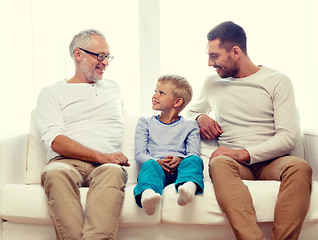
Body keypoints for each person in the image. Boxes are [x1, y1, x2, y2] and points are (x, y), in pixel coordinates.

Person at [186, 21, 312, 240]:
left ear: (235, 52)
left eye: (214, 56)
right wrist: (199, 117)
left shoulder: (277, 81)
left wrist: (242, 153)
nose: (209, 63)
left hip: (274, 161)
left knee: (300, 167)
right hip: (236, 165)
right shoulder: (212, 84)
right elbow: (186, 114)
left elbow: (287, 137)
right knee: (218, 163)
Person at [37, 29, 130, 240]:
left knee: (114, 172)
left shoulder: (114, 89)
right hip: (67, 162)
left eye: (108, 57)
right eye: (100, 56)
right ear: (78, 54)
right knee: (55, 173)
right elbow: (56, 141)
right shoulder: (52, 92)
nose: (105, 62)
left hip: (107, 166)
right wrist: (101, 156)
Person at [133, 74, 204, 215]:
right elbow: (140, 154)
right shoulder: (145, 122)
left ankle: (188, 188)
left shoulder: (191, 125)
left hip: (180, 170)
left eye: (161, 93)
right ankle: (148, 195)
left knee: (195, 160)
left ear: (177, 102)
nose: (155, 96)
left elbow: (193, 152)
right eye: (155, 91)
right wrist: (157, 161)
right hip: (157, 167)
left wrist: (180, 159)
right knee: (149, 165)